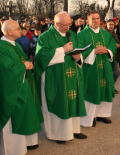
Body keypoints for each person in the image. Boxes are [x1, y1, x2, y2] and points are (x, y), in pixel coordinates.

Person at [0, 20, 43, 154]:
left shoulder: (14, 45)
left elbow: (21, 61)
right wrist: (24, 67)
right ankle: (11, 150)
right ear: (9, 32)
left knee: (23, 116)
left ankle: (22, 145)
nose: (20, 31)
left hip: (20, 86)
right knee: (10, 121)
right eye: (17, 29)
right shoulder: (2, 49)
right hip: (10, 91)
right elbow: (7, 71)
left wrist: (27, 64)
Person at [34, 11, 87, 144]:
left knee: (73, 100)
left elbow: (80, 50)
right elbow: (41, 56)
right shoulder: (45, 37)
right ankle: (58, 134)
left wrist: (79, 57)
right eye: (65, 25)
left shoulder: (73, 35)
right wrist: (61, 50)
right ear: (56, 23)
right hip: (55, 77)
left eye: (69, 24)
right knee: (59, 101)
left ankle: (74, 130)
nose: (68, 27)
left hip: (72, 76)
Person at [78, 11, 116, 127]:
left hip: (104, 67)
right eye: (93, 19)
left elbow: (112, 45)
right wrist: (94, 51)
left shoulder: (106, 34)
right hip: (91, 68)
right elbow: (78, 50)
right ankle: (91, 117)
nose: (95, 21)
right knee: (92, 90)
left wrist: (107, 50)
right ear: (88, 21)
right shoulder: (82, 35)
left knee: (104, 89)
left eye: (97, 18)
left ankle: (102, 114)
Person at [105, 19, 120, 93]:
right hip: (108, 56)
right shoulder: (104, 33)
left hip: (115, 56)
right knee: (116, 72)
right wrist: (115, 45)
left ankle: (110, 86)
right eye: (110, 24)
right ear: (107, 25)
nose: (111, 26)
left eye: (112, 24)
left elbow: (117, 42)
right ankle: (109, 87)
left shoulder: (114, 33)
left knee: (115, 72)